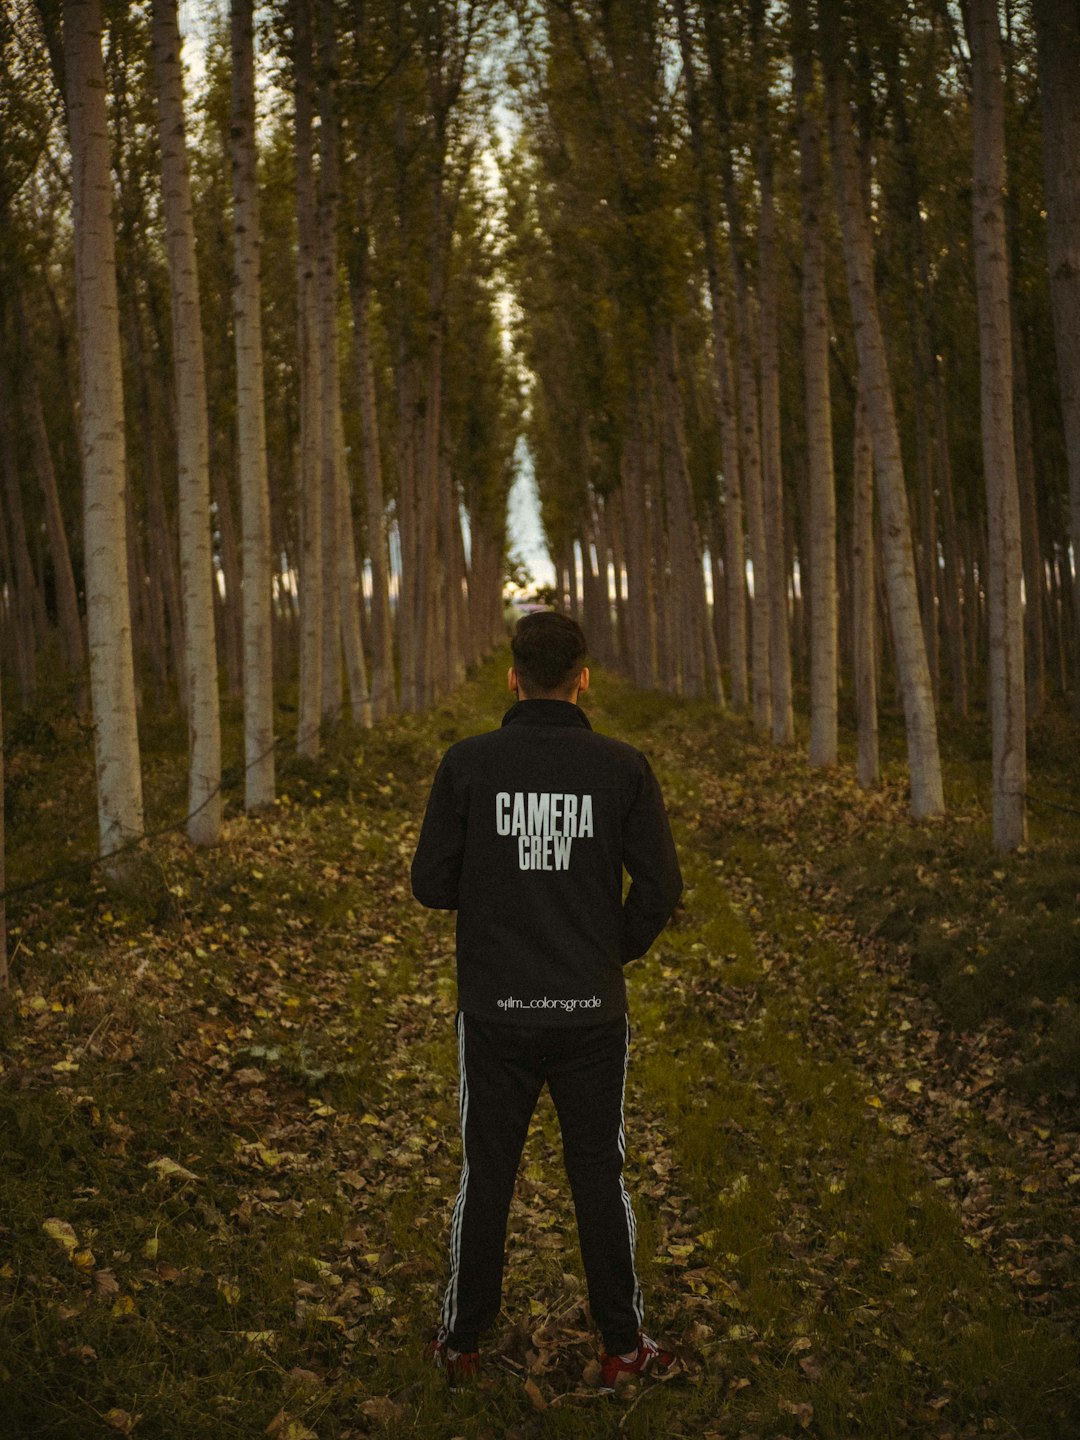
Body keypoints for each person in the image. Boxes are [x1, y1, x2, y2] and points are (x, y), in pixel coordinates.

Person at [410, 610, 683, 1389]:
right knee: (597, 1173)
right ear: (584, 678)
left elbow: (430, 883)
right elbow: (661, 887)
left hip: (494, 1013)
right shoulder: (622, 767)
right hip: (590, 1015)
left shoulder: (468, 764)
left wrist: (500, 902)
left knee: (487, 1173)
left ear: (512, 677)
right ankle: (624, 1349)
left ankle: (460, 1348)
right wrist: (609, 949)